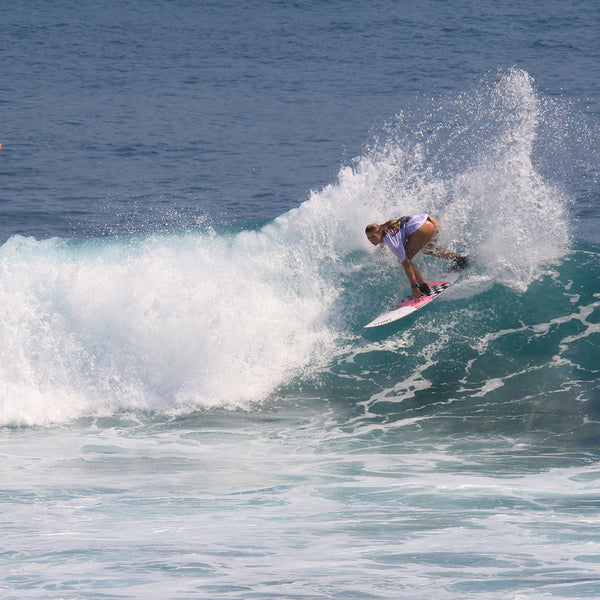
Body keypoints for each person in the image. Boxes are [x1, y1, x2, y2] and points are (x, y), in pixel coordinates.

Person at [365, 214, 469, 300]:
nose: (371, 240)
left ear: (380, 233)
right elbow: (383, 242)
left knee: (406, 260)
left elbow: (406, 264)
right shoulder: (385, 229)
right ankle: (460, 259)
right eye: (369, 238)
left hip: (422, 228)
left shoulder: (391, 240)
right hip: (429, 220)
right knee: (429, 250)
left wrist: (414, 287)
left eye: (373, 237)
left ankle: (423, 288)